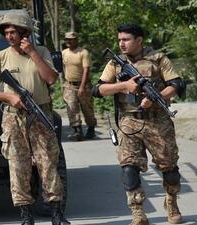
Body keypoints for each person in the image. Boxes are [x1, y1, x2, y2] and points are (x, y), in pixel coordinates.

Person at [92, 23, 185, 224]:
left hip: (157, 120)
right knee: (129, 167)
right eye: (119, 40)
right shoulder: (115, 64)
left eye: (126, 39)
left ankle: (172, 202)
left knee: (169, 166)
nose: (121, 44)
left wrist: (156, 98)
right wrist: (123, 85)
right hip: (129, 122)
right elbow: (98, 90)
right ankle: (137, 211)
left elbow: (177, 84)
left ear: (139, 40)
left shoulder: (158, 59)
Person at [0, 11, 67, 225]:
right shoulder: (0, 57)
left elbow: (50, 79)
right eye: (7, 33)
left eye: (14, 32)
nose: (9, 36)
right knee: (18, 167)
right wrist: (9, 96)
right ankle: (26, 215)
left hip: (41, 113)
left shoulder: (41, 51)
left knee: (48, 163)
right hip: (14, 118)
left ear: (25, 33)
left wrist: (33, 53)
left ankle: (56, 213)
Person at [62, 31, 97, 141]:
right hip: (69, 85)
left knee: (87, 108)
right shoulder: (64, 52)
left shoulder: (83, 52)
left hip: (84, 85)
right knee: (71, 107)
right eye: (67, 39)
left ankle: (91, 129)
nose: (68, 41)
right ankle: (77, 131)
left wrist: (82, 86)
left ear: (76, 40)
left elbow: (86, 70)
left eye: (71, 39)